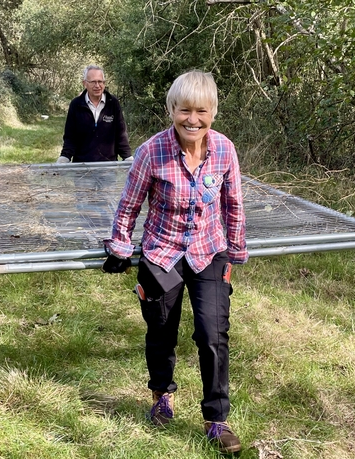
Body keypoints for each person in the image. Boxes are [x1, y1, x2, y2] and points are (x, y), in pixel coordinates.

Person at [102, 70, 248, 454]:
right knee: (162, 330)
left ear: (213, 111)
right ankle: (161, 395)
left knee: (212, 334)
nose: (192, 119)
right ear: (172, 109)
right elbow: (130, 205)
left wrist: (237, 249)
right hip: (162, 251)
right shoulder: (152, 151)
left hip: (209, 250)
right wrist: (120, 246)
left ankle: (216, 419)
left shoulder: (224, 149)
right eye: (185, 110)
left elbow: (233, 205)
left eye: (201, 111)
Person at [57, 65, 132, 163]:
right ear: (85, 83)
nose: (97, 85)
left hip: (108, 168)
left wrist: (128, 158)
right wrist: (64, 158)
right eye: (93, 82)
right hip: (81, 167)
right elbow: (70, 137)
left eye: (100, 81)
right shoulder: (76, 104)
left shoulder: (113, 103)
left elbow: (121, 134)